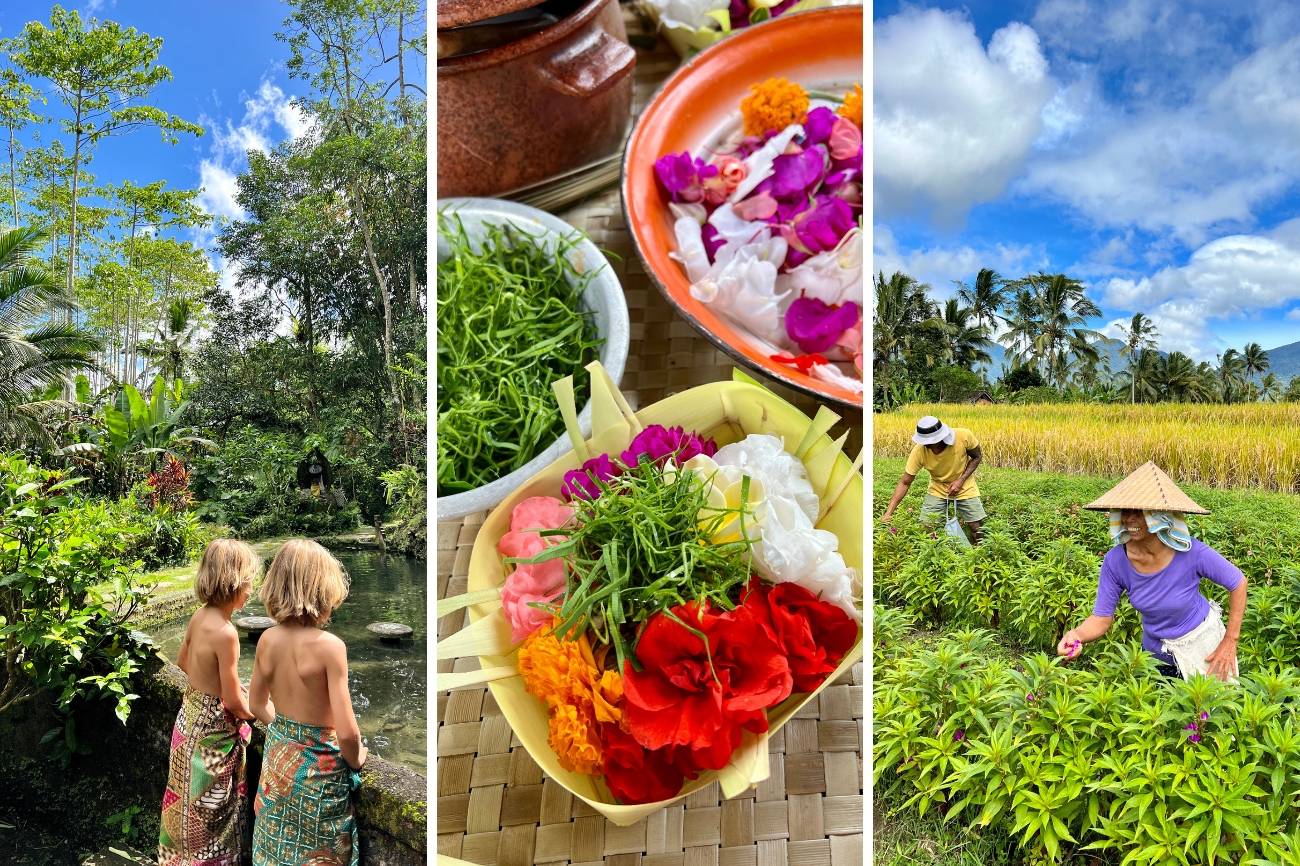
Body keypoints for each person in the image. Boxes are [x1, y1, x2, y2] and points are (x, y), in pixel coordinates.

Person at [1056, 462, 1246, 682]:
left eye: (1140, 511)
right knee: (1163, 712)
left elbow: (1238, 582)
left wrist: (1230, 640)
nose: (1129, 519)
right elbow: (1101, 618)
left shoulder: (1191, 552)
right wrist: (1076, 635)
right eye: (1125, 511)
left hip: (1202, 649)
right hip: (1156, 657)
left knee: (1210, 713)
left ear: (1159, 516)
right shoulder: (1116, 561)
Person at [249, 539, 366, 866]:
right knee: (321, 854)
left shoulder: (266, 640)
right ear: (323, 589)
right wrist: (357, 760)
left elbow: (256, 704)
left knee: (275, 850)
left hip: (277, 767)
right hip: (318, 777)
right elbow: (347, 734)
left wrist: (287, 732)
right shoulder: (330, 647)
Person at [159, 539, 262, 866]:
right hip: (212, 739)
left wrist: (213, 686)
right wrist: (259, 712)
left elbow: (183, 661)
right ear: (232, 583)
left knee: (185, 807)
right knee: (213, 818)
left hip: (187, 724)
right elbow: (234, 702)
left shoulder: (199, 617)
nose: (251, 589)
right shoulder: (227, 634)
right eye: (248, 581)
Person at [879, 415, 986, 543]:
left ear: (941, 437)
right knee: (927, 529)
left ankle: (978, 555)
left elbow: (977, 457)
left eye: (930, 441)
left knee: (977, 529)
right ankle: (937, 554)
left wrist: (961, 480)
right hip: (938, 488)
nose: (926, 445)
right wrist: (888, 513)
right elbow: (905, 482)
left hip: (965, 486)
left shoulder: (964, 436)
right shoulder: (919, 451)